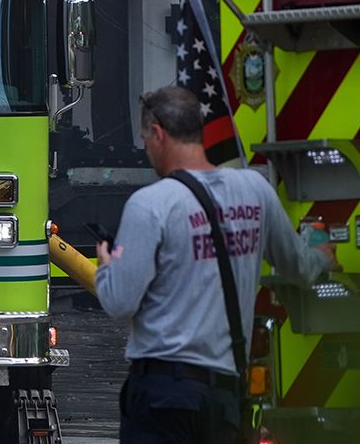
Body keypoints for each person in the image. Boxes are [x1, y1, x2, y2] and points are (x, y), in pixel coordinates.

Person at [96, 86, 333, 444]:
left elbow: (120, 302)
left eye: (145, 140)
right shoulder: (255, 191)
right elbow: (298, 265)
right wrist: (323, 256)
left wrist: (107, 267)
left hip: (162, 397)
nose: (147, 150)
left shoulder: (151, 204)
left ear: (158, 133)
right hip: (225, 399)